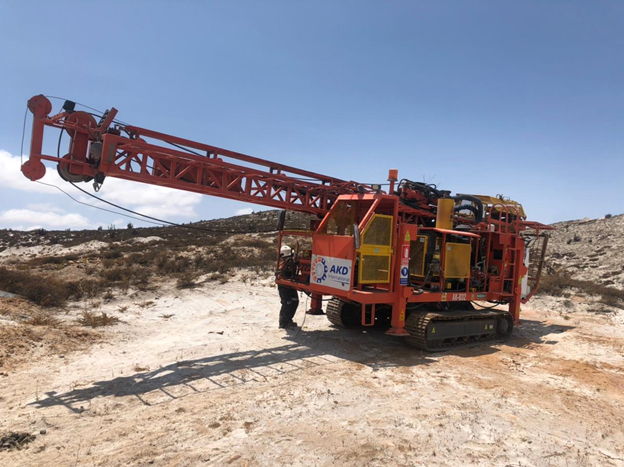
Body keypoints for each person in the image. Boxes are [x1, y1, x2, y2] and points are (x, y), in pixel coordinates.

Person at [276, 245, 299, 329]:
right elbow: (285, 274)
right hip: (283, 286)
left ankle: (289, 319)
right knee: (287, 303)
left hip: (290, 285)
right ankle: (283, 322)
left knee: (295, 301)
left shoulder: (289, 262)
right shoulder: (284, 264)